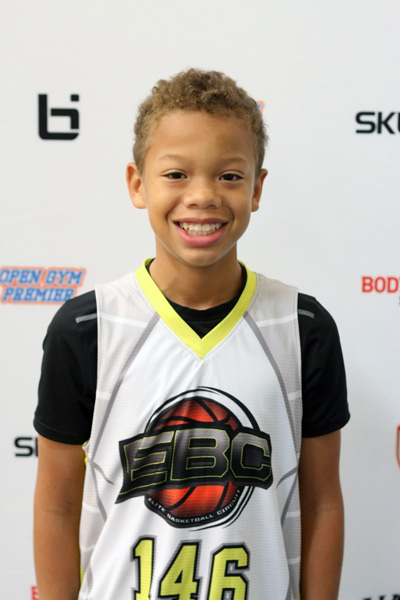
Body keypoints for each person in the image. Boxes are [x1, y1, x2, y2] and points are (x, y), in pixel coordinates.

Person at [33, 68, 349, 600]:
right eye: (176, 174)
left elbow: (321, 504)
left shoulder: (302, 328)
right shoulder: (88, 328)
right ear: (138, 184)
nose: (202, 196)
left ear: (256, 188)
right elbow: (56, 506)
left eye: (229, 176)